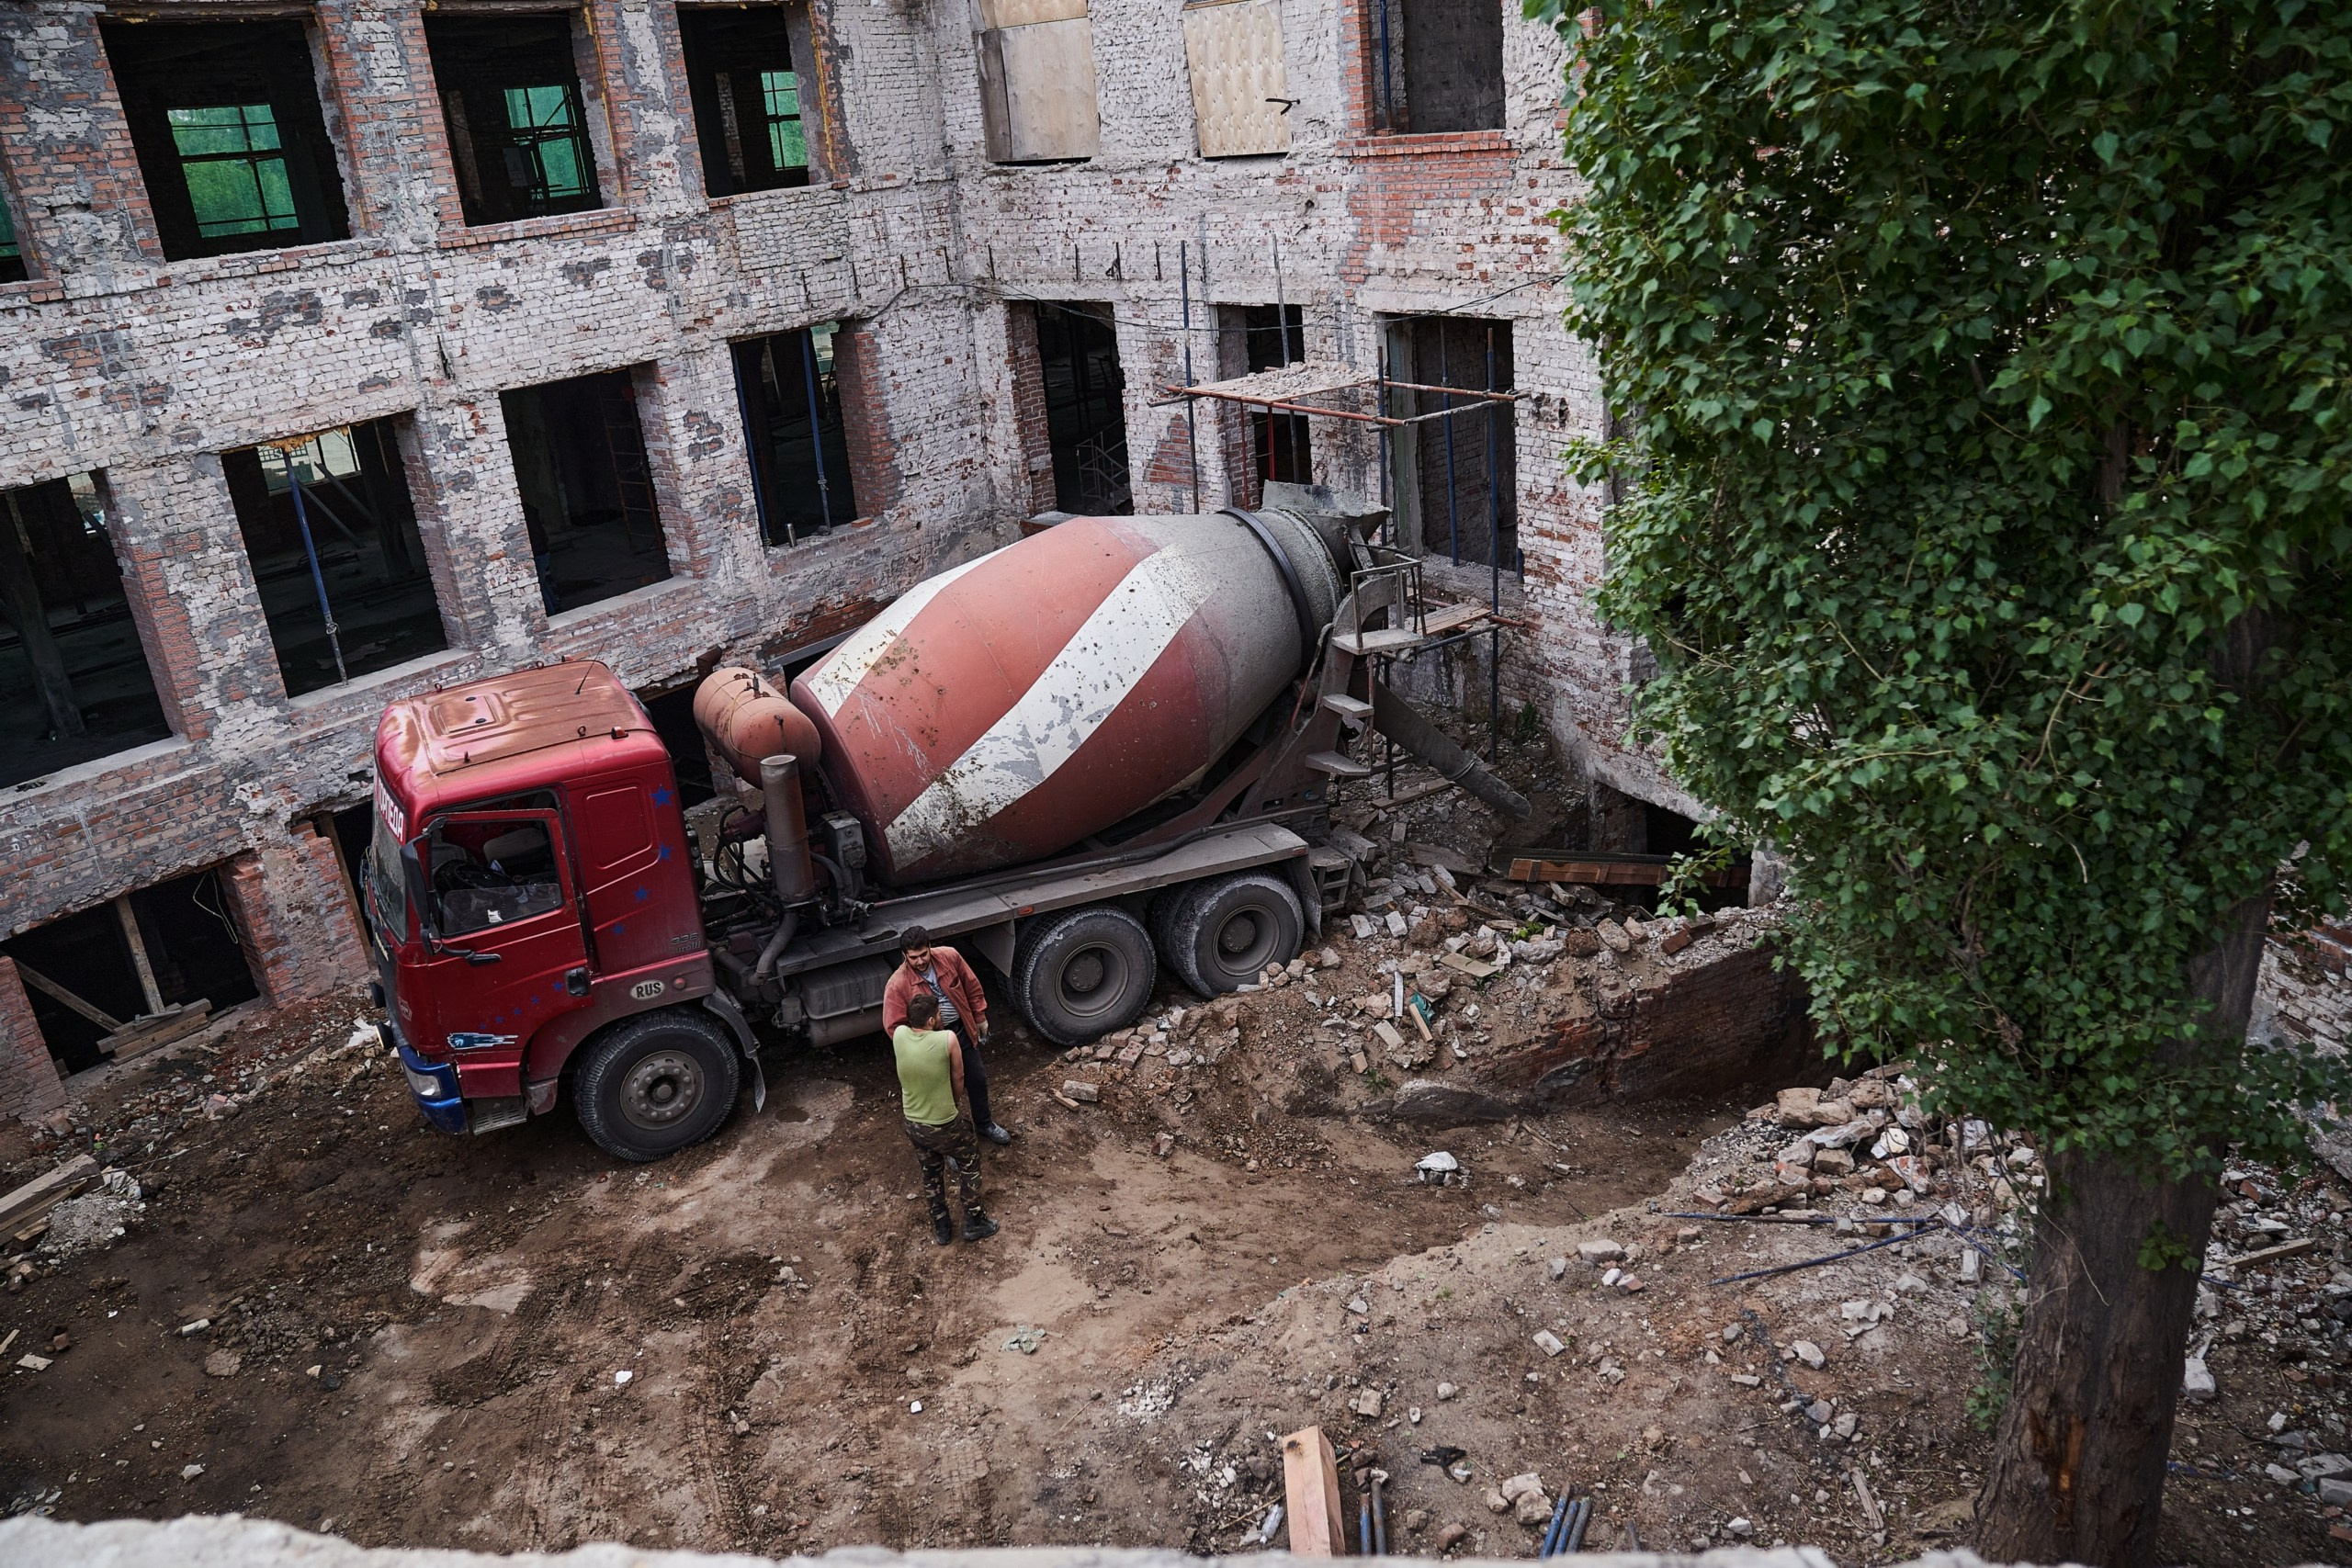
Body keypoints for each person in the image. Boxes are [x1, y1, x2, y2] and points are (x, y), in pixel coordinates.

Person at [883, 928, 1012, 1145]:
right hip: (931, 1046)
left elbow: (971, 986)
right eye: (913, 958)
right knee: (942, 1092)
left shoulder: (950, 957)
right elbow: (894, 1026)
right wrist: (919, 1047)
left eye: (924, 954)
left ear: (930, 947)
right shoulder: (898, 984)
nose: (920, 961)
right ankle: (951, 1141)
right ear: (904, 955)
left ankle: (984, 1124)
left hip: (961, 1032)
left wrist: (979, 1017)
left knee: (977, 1079)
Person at [892, 990, 997, 1245]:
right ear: (931, 1021)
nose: (941, 1017)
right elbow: (958, 1078)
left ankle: (941, 1227)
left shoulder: (899, 1035)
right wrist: (953, 1102)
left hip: (913, 1123)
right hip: (944, 1123)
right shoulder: (947, 1039)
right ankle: (974, 1222)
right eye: (938, 1014)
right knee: (969, 1164)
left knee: (931, 1172)